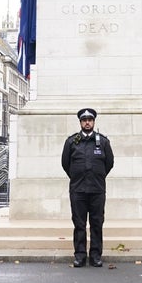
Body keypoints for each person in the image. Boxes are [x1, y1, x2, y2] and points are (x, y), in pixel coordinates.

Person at [61, 107, 114, 268]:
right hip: (78, 190)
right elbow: (65, 164)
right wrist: (77, 177)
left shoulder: (103, 142)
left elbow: (109, 163)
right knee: (79, 224)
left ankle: (96, 255)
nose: (87, 123)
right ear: (80, 122)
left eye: (90, 120)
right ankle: (80, 255)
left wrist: (97, 176)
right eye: (84, 120)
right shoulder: (72, 142)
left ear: (93, 122)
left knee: (97, 223)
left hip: (97, 190)